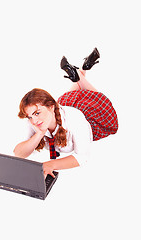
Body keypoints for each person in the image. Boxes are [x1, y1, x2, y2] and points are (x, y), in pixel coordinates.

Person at [14, 48, 118, 178]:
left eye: (37, 113)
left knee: (97, 97)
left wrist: (50, 165)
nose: (34, 120)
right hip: (67, 105)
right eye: (30, 116)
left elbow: (82, 157)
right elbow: (19, 153)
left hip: (90, 115)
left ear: (51, 107)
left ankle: (78, 75)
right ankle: (80, 72)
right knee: (74, 90)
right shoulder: (35, 121)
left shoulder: (76, 121)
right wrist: (40, 133)